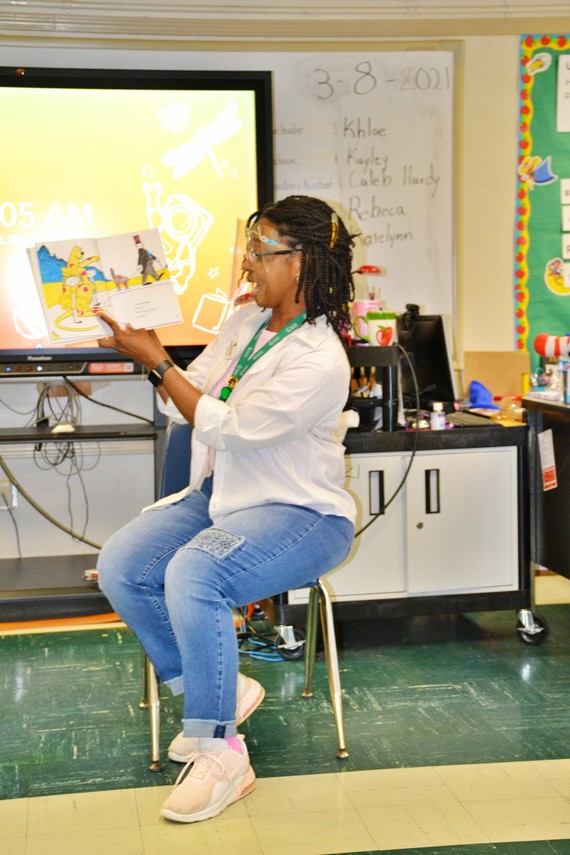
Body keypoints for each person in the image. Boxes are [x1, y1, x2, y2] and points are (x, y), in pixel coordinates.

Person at [96, 195, 357, 824]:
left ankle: (221, 754)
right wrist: (154, 351)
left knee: (194, 572)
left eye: (261, 253)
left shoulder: (319, 357)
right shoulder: (244, 324)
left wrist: (157, 361)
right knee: (122, 564)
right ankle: (219, 691)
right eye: (249, 251)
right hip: (223, 498)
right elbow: (189, 399)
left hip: (300, 515)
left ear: (302, 263)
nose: (247, 267)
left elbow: (230, 427)